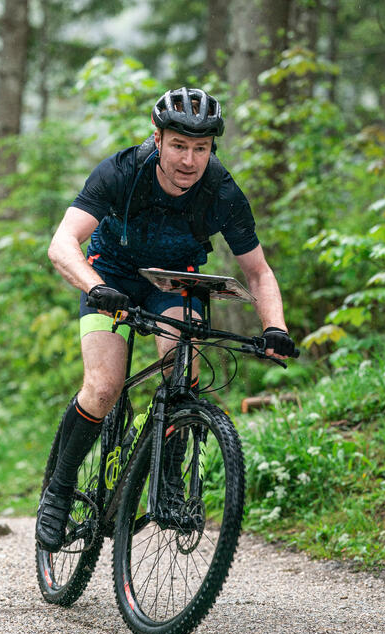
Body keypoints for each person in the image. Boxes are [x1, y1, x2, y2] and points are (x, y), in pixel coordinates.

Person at [37, 86, 297, 553]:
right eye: (179, 145)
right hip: (110, 276)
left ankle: (169, 480)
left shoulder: (221, 190)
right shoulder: (121, 171)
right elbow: (62, 245)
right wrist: (95, 287)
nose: (189, 160)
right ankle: (58, 491)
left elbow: (257, 272)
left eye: (201, 148)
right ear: (156, 139)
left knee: (185, 367)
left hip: (174, 283)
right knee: (102, 385)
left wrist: (275, 327)